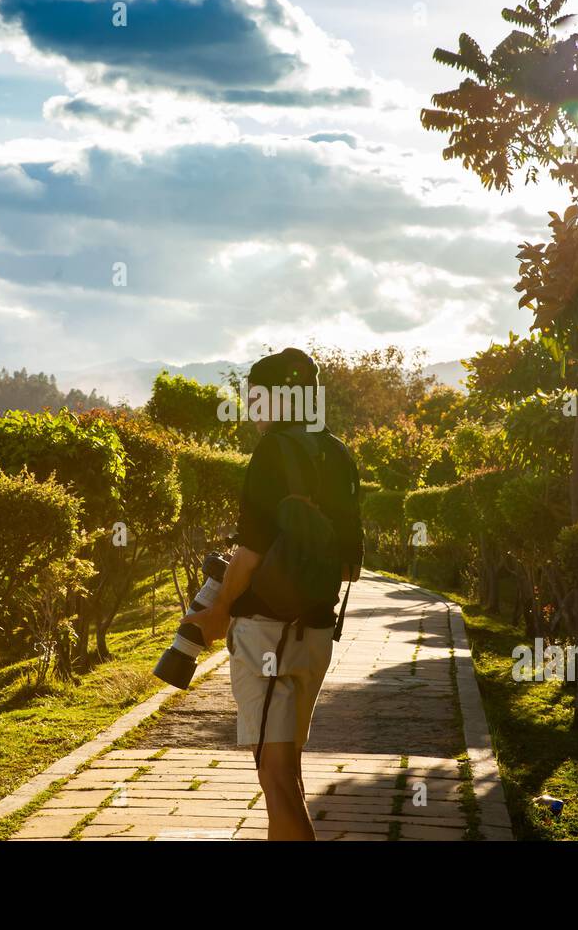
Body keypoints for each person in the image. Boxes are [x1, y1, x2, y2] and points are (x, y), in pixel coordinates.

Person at [182, 347, 363, 840]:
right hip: (317, 632)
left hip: (267, 634)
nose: (251, 408)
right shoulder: (338, 453)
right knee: (290, 775)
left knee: (277, 781)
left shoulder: (274, 451)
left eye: (255, 397)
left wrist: (219, 610)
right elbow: (351, 566)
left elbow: (251, 552)